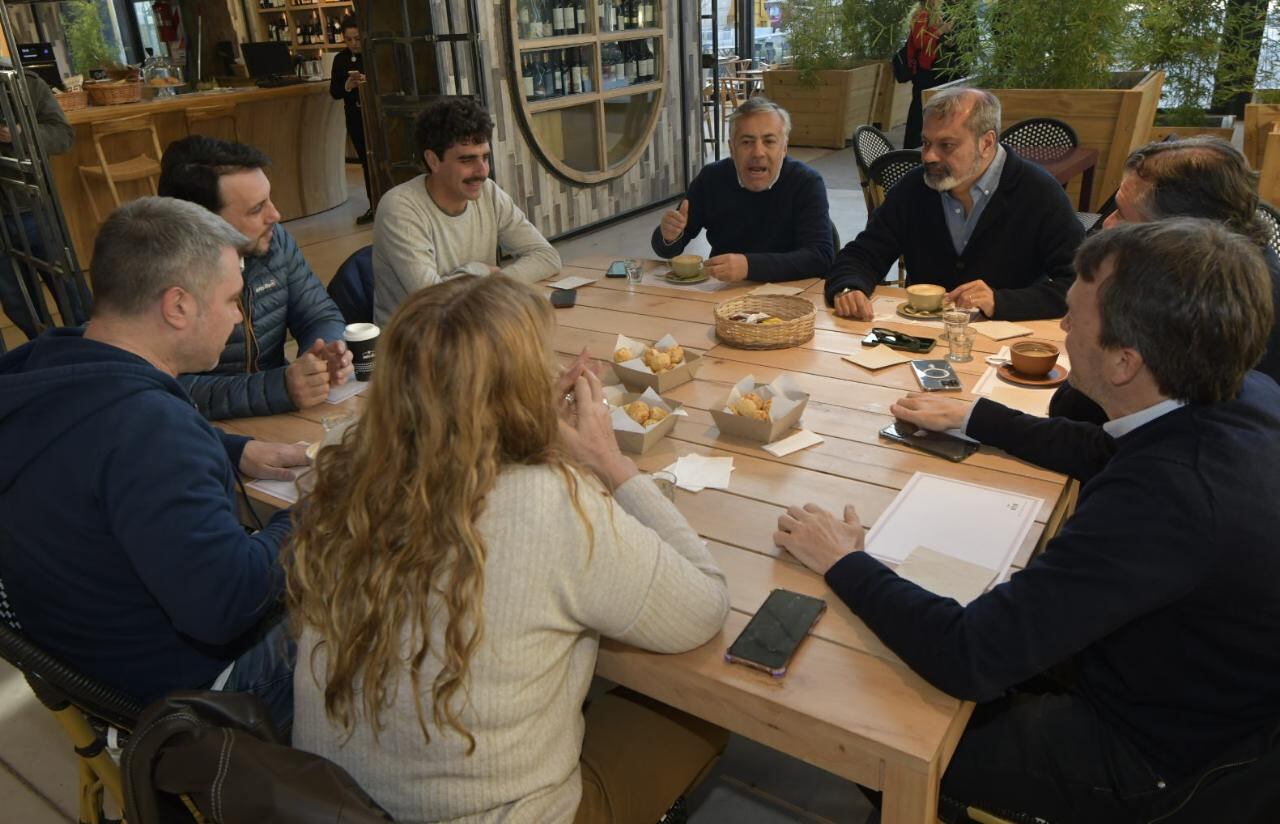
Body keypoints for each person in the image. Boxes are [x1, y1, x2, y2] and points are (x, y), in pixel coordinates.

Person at [778, 219, 1280, 823]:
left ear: (1124, 362)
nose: (1063, 329)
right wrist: (977, 417)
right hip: (1208, 694)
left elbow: (969, 654)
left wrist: (844, 561)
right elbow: (1108, 451)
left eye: (1074, 319)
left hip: (1158, 759)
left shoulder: (1169, 499)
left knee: (873, 726)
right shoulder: (1242, 391)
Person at [289, 275, 731, 823]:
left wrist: (521, 429)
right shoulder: (550, 506)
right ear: (518, 388)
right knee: (698, 714)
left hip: (335, 805)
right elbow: (704, 605)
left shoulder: (342, 474)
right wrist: (609, 462)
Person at [0, 197, 312, 732]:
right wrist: (310, 510)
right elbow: (226, 605)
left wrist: (233, 449)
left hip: (83, 671)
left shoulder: (46, 364)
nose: (239, 317)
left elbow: (101, 449)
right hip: (184, 706)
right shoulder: (151, 432)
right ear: (178, 307)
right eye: (233, 299)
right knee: (381, 599)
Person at [1050, 136, 1280, 423]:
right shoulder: (1218, 270)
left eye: (1122, 214)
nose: (1107, 224)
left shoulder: (1215, 305)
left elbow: (1085, 419)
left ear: (1176, 233)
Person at [825, 88, 1083, 322]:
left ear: (987, 143)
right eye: (926, 142)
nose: (928, 157)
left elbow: (1082, 284)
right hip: (922, 341)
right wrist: (849, 287)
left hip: (1006, 346)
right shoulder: (914, 189)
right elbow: (863, 254)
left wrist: (1001, 301)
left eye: (946, 145)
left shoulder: (1037, 192)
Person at [158, 135, 352, 420]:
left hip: (279, 414)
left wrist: (322, 354)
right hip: (205, 430)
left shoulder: (273, 241)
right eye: (256, 209)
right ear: (204, 222)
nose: (275, 214)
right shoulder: (156, 272)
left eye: (269, 199)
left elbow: (319, 315)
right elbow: (161, 386)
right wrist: (277, 388)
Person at [372, 97, 561, 324]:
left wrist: (495, 280)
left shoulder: (488, 192)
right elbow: (433, 300)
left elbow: (547, 257)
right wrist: (479, 272)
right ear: (433, 160)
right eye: (467, 159)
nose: (482, 171)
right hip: (416, 345)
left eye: (485, 157)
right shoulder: (400, 208)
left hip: (474, 327)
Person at [650, 96, 835, 283]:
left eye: (769, 141)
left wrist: (749, 266)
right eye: (747, 142)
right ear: (731, 148)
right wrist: (668, 236)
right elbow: (669, 248)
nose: (758, 153)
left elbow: (820, 257)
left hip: (791, 296)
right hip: (724, 295)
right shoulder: (711, 179)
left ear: (784, 148)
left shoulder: (806, 182)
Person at [0, 62, 82, 340]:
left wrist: (22, 132)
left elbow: (63, 136)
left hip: (31, 204)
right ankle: (45, 352)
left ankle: (94, 349)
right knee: (18, 302)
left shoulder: (26, 83)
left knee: (69, 289)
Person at [329, 15, 373, 226]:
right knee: (366, 162)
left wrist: (369, 83)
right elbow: (335, 92)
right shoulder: (340, 59)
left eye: (357, 38)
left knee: (379, 161)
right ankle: (374, 205)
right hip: (355, 116)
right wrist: (347, 86)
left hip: (374, 115)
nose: (354, 43)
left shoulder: (373, 54)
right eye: (349, 39)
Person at [903, 0, 953, 150]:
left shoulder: (935, 14)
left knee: (927, 108)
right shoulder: (922, 14)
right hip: (923, 69)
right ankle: (912, 148)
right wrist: (941, 31)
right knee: (919, 109)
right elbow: (919, 43)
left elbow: (933, 41)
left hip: (932, 67)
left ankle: (925, 145)